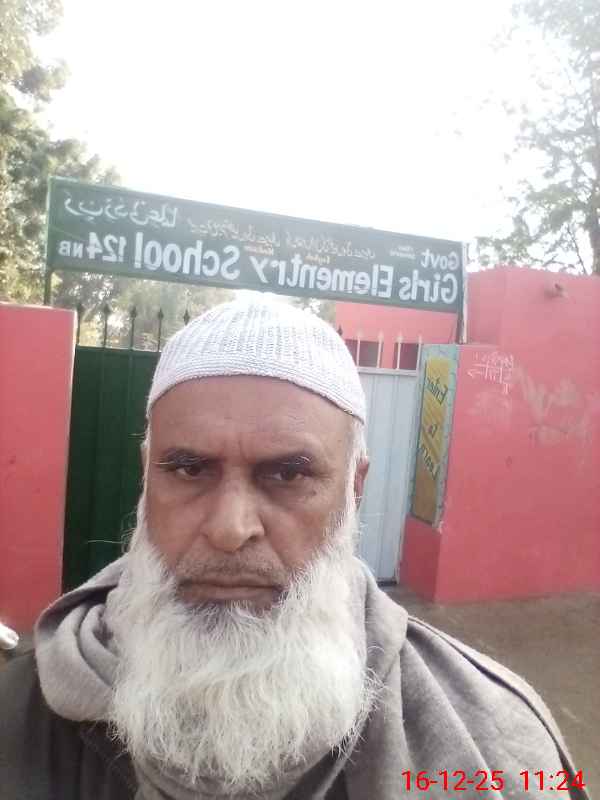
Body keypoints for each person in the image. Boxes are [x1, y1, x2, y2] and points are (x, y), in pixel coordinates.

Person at [0, 299, 588, 800]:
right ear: (147, 476)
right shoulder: (19, 713)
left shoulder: (493, 747)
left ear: (353, 488)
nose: (230, 529)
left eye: (287, 474)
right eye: (189, 469)